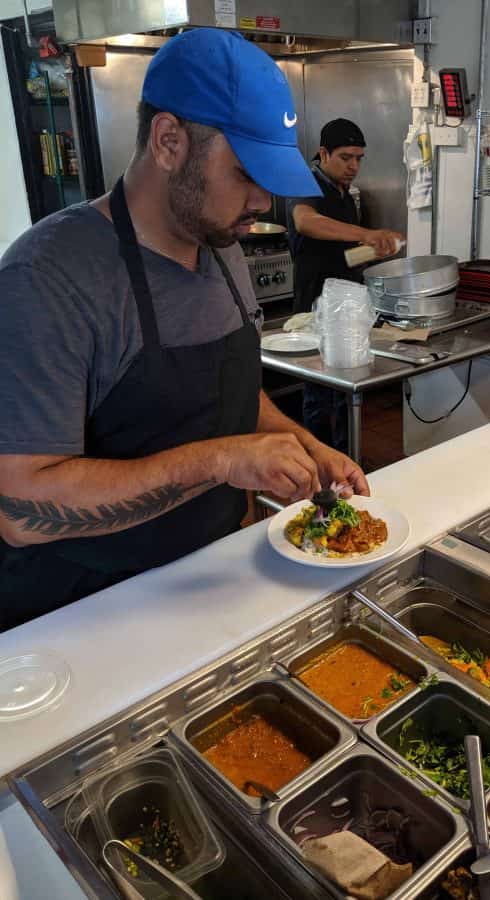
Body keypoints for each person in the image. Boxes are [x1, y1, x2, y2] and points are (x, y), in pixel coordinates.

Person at [0, 30, 369, 632]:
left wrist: (307, 449)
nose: (262, 201)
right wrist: (221, 461)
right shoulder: (48, 279)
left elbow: (231, 399)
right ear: (169, 141)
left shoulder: (221, 247)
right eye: (246, 173)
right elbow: (20, 505)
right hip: (83, 617)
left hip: (214, 581)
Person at [287, 119, 404, 452]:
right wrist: (366, 234)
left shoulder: (343, 194)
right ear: (324, 153)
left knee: (347, 392)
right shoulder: (305, 183)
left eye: (359, 158)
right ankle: (321, 467)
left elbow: (341, 254)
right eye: (345, 157)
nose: (354, 166)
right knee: (319, 395)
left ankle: (345, 461)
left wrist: (373, 251)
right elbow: (305, 222)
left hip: (346, 310)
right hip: (316, 309)